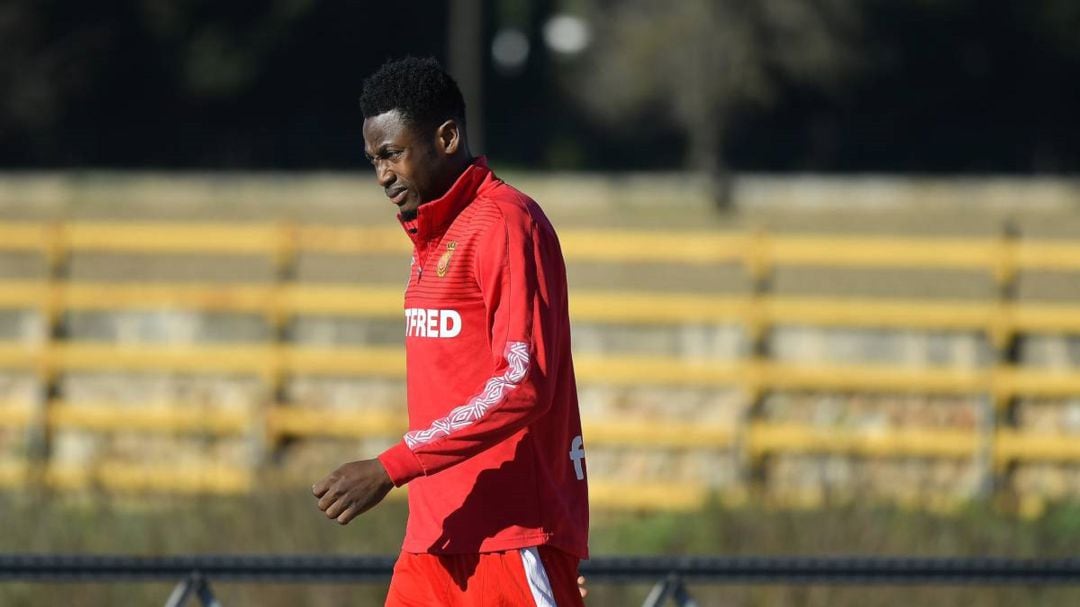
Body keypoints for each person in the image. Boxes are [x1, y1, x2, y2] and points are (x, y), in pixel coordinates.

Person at [313, 56, 589, 606]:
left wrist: (391, 467)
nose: (383, 175)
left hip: (509, 541)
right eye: (373, 160)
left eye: (392, 154)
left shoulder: (508, 223)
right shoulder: (430, 241)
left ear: (446, 137)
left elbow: (521, 381)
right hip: (433, 541)